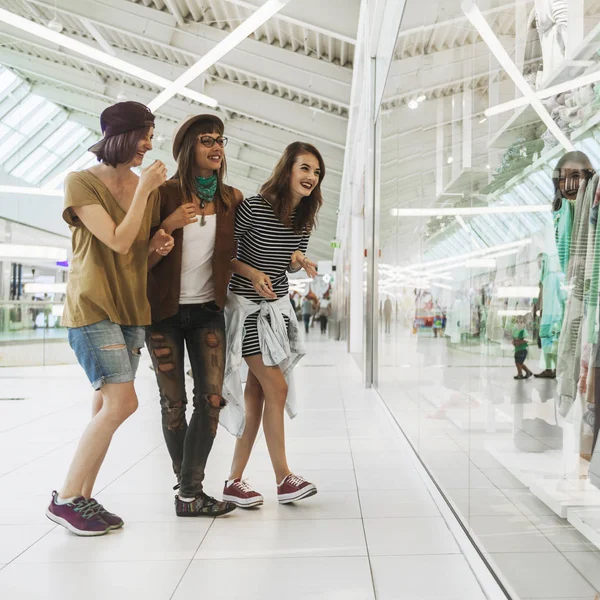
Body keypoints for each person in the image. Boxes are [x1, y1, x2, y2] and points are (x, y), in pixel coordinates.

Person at [45, 102, 173, 536]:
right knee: (123, 402)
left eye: (152, 135)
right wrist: (143, 194)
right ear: (121, 135)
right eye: (145, 135)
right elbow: (117, 241)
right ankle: (64, 498)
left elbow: (135, 252)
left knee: (105, 403)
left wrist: (156, 246)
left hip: (131, 308)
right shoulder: (80, 182)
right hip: (93, 305)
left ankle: (80, 495)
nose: (149, 146)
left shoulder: (145, 187)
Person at [146, 114, 243, 517]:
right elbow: (137, 258)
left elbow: (238, 254)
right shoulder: (164, 195)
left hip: (207, 312)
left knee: (212, 400)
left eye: (220, 139)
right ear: (189, 149)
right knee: (173, 404)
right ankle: (189, 492)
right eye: (207, 140)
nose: (216, 146)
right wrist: (168, 225)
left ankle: (188, 491)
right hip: (162, 313)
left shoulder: (231, 199)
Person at [221, 142, 325, 507]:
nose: (311, 177)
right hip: (245, 311)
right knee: (276, 387)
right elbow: (224, 254)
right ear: (287, 170)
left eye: (316, 172)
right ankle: (283, 478)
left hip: (274, 312)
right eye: (305, 168)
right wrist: (252, 273)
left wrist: (299, 260)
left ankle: (234, 481)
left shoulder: (303, 219)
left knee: (259, 395)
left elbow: (285, 258)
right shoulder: (253, 207)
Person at [534, 252, 565, 378]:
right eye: (538, 263)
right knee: (546, 342)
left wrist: (559, 315)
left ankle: (555, 369)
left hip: (552, 317)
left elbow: (559, 297)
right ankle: (549, 369)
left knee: (552, 343)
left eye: (541, 262)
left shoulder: (551, 278)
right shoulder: (544, 279)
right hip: (546, 316)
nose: (539, 265)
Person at [513, 315, 533, 380]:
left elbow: (527, 339)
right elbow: (514, 338)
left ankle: (520, 374)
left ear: (524, 323)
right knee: (518, 363)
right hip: (517, 349)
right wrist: (513, 342)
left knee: (519, 363)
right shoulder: (515, 330)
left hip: (522, 350)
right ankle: (527, 372)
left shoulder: (523, 331)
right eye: (517, 322)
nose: (519, 324)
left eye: (521, 322)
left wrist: (519, 342)